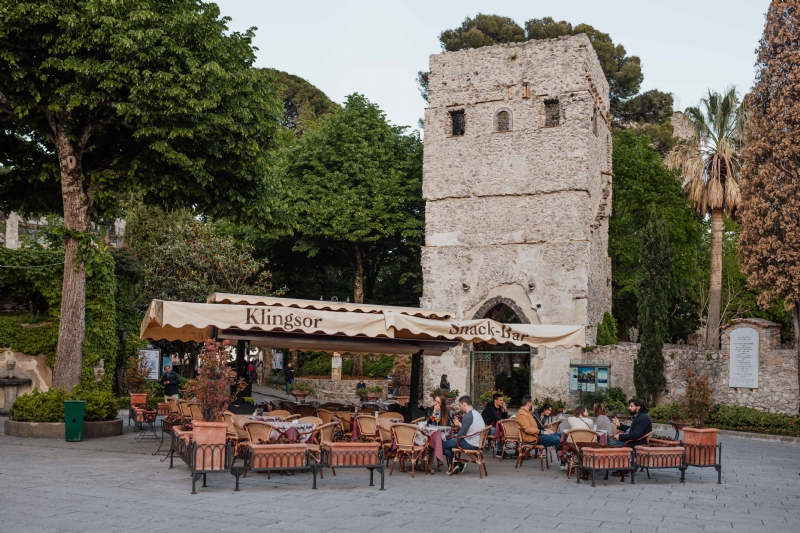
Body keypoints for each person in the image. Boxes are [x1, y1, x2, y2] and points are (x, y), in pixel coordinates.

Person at [517, 395, 566, 468]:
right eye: (532, 402)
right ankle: (564, 462)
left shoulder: (527, 413)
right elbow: (528, 429)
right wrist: (542, 432)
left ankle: (566, 458)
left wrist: (546, 430)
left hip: (536, 435)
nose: (532, 404)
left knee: (561, 435)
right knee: (557, 439)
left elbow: (536, 426)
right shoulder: (522, 414)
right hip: (533, 437)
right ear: (528, 404)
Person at [443, 396, 485, 475]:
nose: (460, 407)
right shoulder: (476, 413)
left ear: (464, 404)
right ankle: (456, 464)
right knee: (447, 444)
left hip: (470, 444)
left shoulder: (468, 416)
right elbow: (470, 428)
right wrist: (459, 424)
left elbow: (462, 434)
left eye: (460, 405)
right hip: (477, 443)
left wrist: (454, 439)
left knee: (441, 445)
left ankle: (458, 463)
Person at [481, 393, 509, 457]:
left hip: (492, 427)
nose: (502, 402)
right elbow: (499, 419)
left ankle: (502, 450)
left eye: (503, 400)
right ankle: (499, 451)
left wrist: (505, 409)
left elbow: (504, 418)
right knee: (500, 432)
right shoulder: (490, 408)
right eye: (500, 400)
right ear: (495, 401)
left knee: (503, 431)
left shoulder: (498, 408)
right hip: (486, 428)